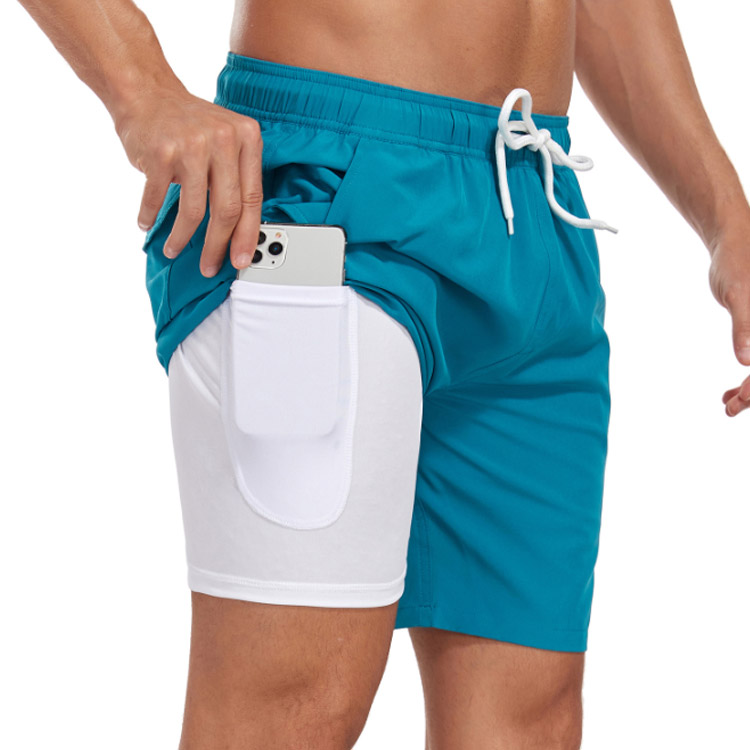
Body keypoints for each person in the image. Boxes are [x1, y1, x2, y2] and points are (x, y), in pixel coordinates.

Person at [16, 0, 750, 748]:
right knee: (292, 710)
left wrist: (730, 223)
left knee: (529, 721)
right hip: (335, 197)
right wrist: (139, 86)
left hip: (533, 205)